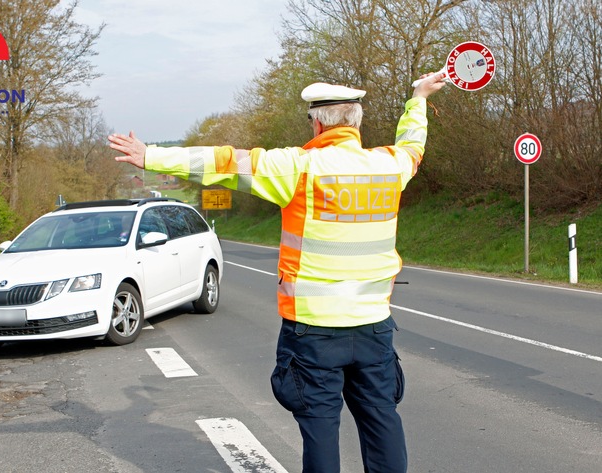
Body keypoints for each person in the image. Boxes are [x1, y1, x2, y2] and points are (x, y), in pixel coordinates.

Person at [109, 73, 446, 473]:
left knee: (321, 428)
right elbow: (413, 146)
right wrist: (419, 98)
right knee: (381, 418)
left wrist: (151, 156)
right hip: (374, 326)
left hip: (314, 331)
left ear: (318, 123)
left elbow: (224, 162)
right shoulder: (388, 167)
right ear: (356, 122)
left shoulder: (298, 167)